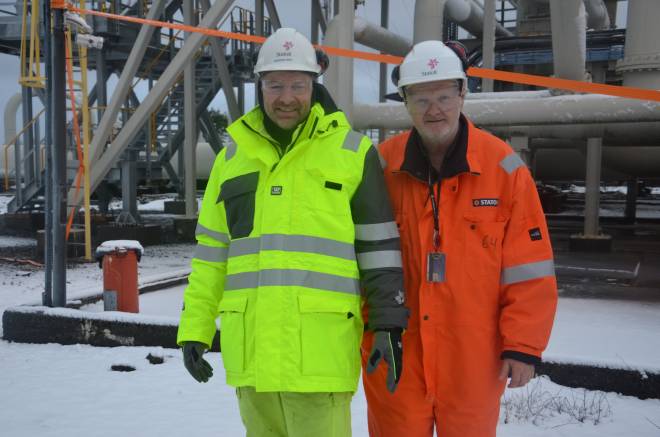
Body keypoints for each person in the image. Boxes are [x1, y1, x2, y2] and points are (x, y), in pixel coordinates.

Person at [177, 27, 408, 437]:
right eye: (276, 85)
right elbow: (212, 254)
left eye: (297, 85)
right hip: (252, 354)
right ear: (260, 86)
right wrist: (194, 328)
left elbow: (379, 249)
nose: (286, 97)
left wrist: (388, 323)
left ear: (314, 85)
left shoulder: (352, 154)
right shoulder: (232, 158)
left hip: (320, 354)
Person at [362, 40, 558, 437]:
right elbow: (356, 255)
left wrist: (523, 345)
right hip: (398, 346)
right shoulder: (381, 168)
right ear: (404, 101)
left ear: (463, 94)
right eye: (421, 98)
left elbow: (529, 266)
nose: (434, 109)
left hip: (473, 355)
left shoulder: (503, 169)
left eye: (445, 96)